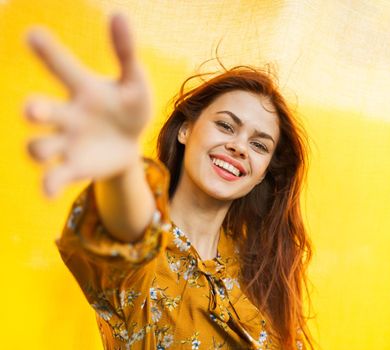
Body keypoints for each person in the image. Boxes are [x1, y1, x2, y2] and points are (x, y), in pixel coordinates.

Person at [24, 13, 313, 349]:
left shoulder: (261, 267)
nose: (239, 147)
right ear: (186, 130)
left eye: (259, 144)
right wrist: (120, 156)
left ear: (263, 172)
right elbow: (123, 228)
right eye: (226, 126)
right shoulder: (144, 254)